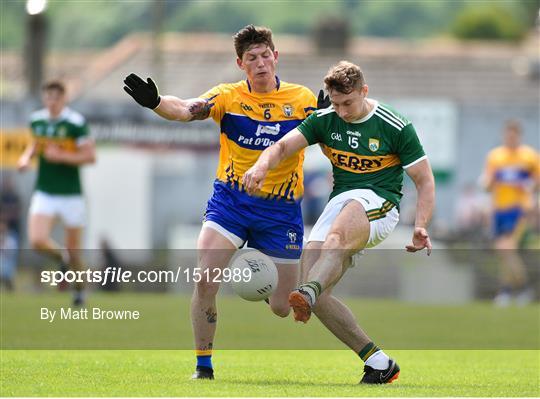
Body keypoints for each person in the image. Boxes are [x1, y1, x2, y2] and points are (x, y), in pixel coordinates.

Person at [123, 25, 317, 380]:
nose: (260, 64)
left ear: (276, 57)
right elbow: (186, 109)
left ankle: (255, 261)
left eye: (265, 56)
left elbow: (332, 125)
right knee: (205, 279)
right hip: (231, 202)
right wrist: (156, 102)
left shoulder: (302, 99)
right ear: (240, 64)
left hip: (281, 209)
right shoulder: (228, 97)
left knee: (280, 307)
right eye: (251, 59)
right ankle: (203, 366)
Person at [244, 61, 435, 384]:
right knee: (319, 298)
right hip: (340, 201)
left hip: (379, 203)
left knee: (329, 250)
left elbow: (425, 181)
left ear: (364, 91)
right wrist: (261, 167)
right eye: (335, 103)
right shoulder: (325, 119)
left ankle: (306, 292)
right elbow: (282, 147)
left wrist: (421, 225)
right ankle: (378, 362)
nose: (342, 111)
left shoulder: (394, 126)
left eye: (348, 103)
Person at [18, 80, 96, 306]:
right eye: (48, 97)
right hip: (45, 191)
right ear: (44, 98)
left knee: (75, 252)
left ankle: (80, 289)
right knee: (37, 240)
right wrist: (25, 158)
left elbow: (89, 156)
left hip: (71, 194)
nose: (52, 102)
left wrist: (62, 157)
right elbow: (34, 145)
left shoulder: (75, 123)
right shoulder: (37, 120)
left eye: (56, 98)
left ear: (64, 99)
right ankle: (60, 258)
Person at [481, 120, 539, 306]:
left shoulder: (529, 157)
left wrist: (529, 188)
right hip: (499, 209)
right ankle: (523, 288)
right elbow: (488, 185)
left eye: (514, 135)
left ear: (519, 136)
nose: (510, 139)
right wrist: (490, 182)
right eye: (508, 135)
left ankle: (506, 291)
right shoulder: (495, 157)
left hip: (519, 209)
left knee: (507, 248)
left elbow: (537, 181)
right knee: (505, 252)